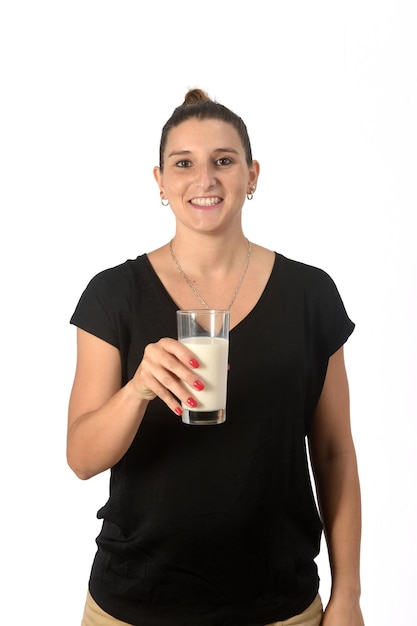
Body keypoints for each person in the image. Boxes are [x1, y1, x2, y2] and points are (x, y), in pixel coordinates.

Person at [67, 88, 365, 626]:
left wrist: (348, 595)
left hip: (279, 606)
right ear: (160, 181)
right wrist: (137, 390)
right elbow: (82, 458)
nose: (204, 180)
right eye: (183, 164)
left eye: (223, 162)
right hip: (134, 606)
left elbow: (334, 452)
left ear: (252, 176)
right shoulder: (114, 294)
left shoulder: (310, 294)